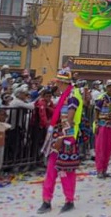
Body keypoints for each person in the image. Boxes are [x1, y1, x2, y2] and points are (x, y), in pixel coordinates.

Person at [38, 68, 81, 214]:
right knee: (51, 170)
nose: (57, 84)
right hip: (59, 136)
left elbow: (69, 120)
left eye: (59, 82)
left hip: (66, 138)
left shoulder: (72, 97)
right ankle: (46, 200)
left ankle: (69, 200)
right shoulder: (64, 96)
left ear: (63, 82)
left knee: (66, 171)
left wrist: (61, 139)